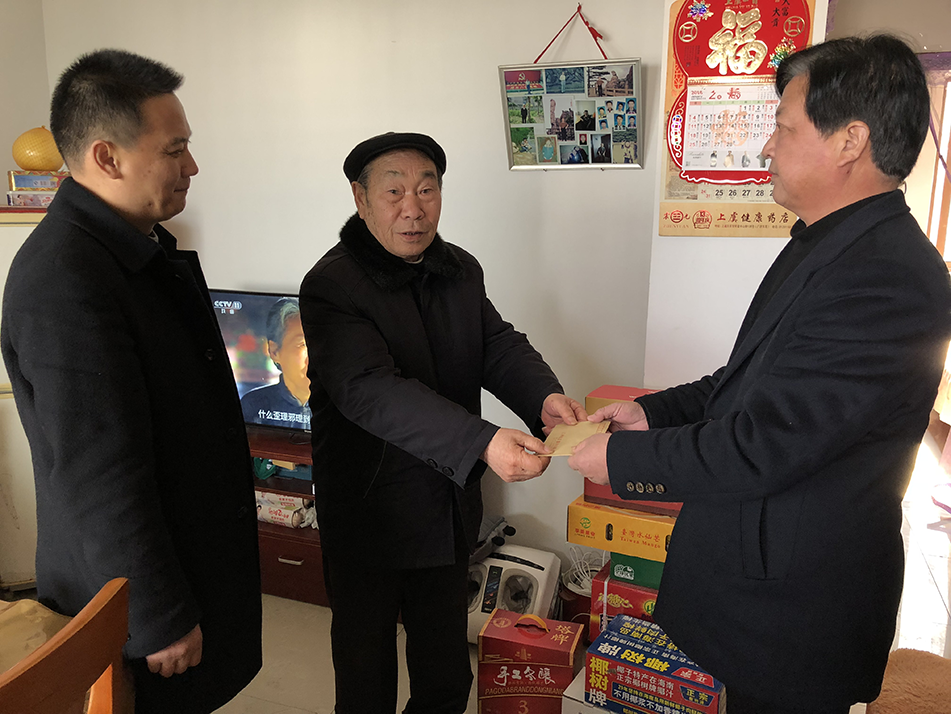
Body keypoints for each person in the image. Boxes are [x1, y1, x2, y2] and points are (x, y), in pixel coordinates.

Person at [568, 35, 951, 713]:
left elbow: (767, 443)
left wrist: (618, 460)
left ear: (850, 141)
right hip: (753, 583)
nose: (766, 148)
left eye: (783, 127)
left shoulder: (887, 276)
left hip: (795, 610)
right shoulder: (828, 241)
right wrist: (652, 412)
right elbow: (748, 381)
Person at [0, 50, 262, 714]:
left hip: (182, 550)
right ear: (107, 158)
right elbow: (99, 471)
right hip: (129, 592)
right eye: (174, 150)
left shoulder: (131, 246)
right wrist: (156, 613)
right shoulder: (65, 279)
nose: (192, 166)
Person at [299, 132, 585, 714]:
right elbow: (369, 389)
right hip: (370, 509)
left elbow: (495, 344)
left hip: (446, 501)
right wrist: (483, 441)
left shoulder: (458, 269)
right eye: (394, 192)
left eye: (427, 190)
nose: (413, 208)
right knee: (365, 673)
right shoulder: (331, 285)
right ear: (360, 198)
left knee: (446, 670)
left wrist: (543, 398)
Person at [241, 296, 312, 431]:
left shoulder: (342, 403)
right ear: (274, 351)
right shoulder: (253, 405)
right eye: (303, 344)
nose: (315, 355)